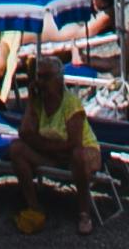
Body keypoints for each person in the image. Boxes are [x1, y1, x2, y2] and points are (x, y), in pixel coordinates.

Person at [7, 51, 101, 229]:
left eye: (46, 78)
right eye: (38, 77)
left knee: (77, 155)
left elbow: (74, 143)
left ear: (58, 80)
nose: (41, 83)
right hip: (55, 154)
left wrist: (40, 143)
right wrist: (31, 101)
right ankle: (34, 206)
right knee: (16, 149)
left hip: (79, 154)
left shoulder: (71, 104)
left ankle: (84, 213)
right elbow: (25, 133)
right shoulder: (39, 102)